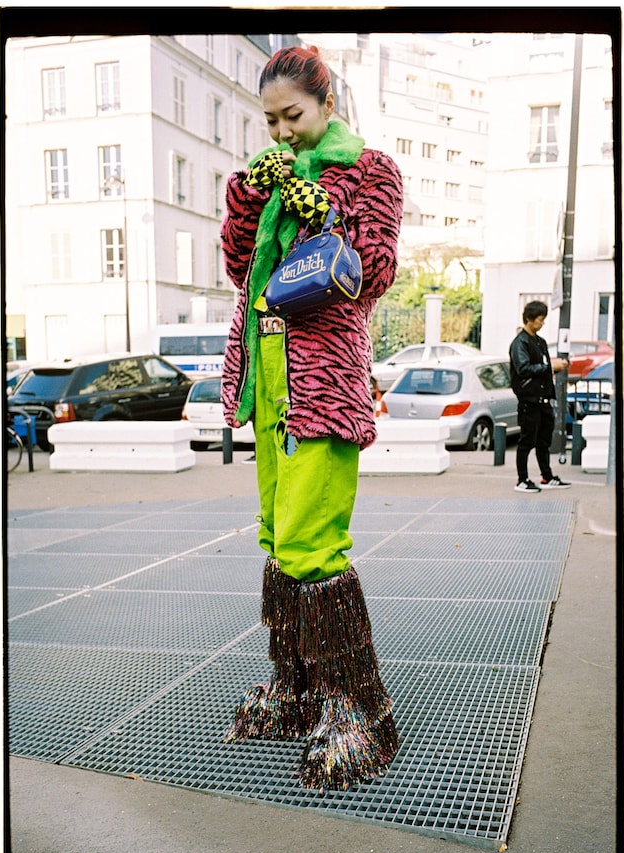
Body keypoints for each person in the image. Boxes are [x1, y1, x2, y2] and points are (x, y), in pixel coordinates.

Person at [219, 45, 403, 792]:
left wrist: (322, 210)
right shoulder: (266, 174)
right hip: (266, 373)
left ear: (327, 105)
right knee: (276, 537)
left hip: (321, 378)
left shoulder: (370, 169)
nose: (281, 132)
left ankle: (360, 710)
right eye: (269, 121)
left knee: (312, 543)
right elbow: (241, 269)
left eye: (291, 116)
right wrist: (247, 200)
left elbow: (376, 271)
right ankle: (298, 690)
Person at [509, 300, 572, 493]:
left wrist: (553, 368)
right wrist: (551, 367)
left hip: (543, 398)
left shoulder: (540, 342)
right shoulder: (520, 343)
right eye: (539, 319)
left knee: (544, 441)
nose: (542, 323)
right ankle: (522, 479)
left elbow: (541, 368)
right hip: (529, 399)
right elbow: (523, 368)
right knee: (527, 441)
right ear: (529, 319)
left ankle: (547, 476)